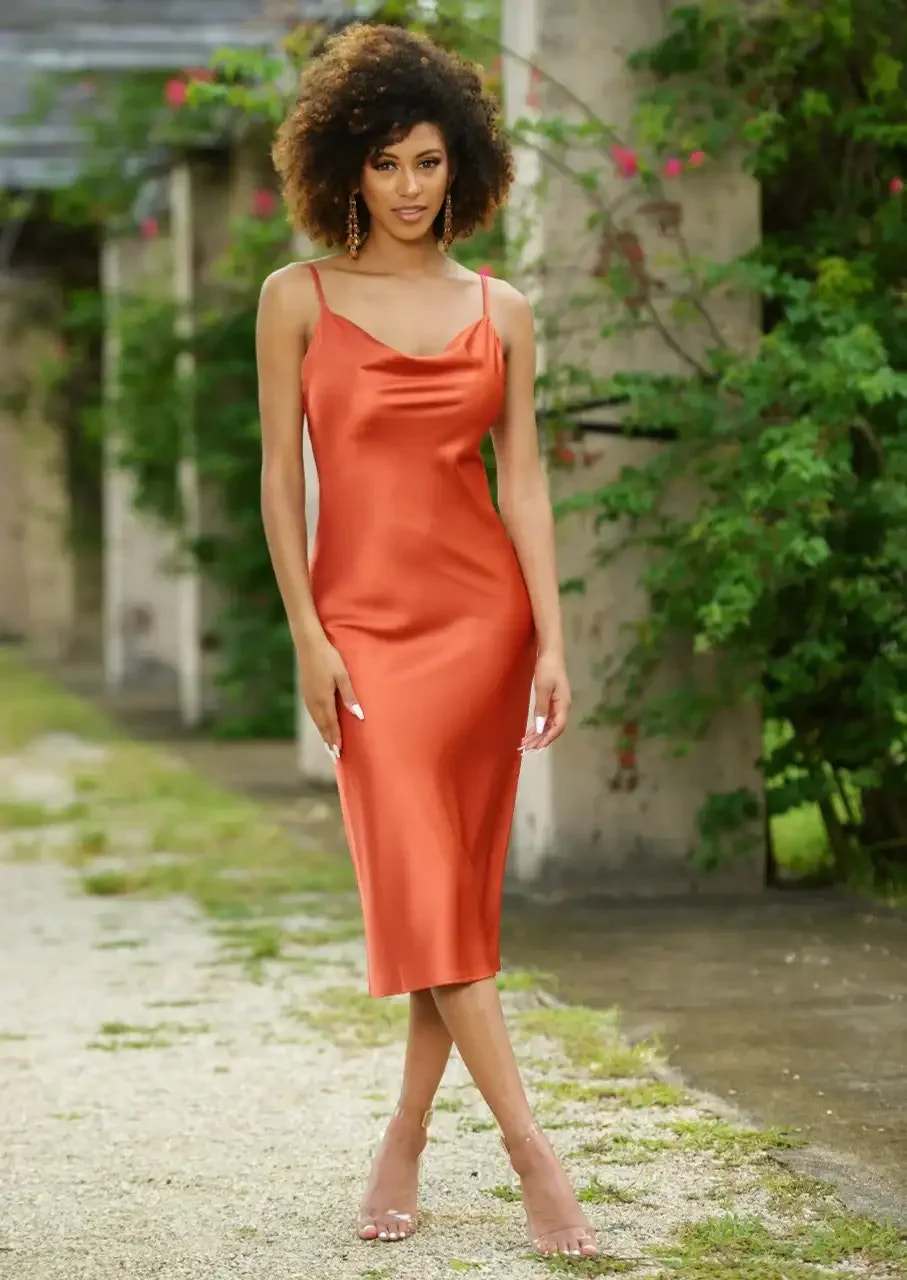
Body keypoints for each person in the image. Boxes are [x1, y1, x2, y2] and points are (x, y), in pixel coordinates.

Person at [256, 21, 598, 1261]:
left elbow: (524, 486)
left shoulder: (500, 309)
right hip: (362, 632)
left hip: (482, 628)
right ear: (346, 166)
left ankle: (403, 1134)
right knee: (428, 889)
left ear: (463, 167)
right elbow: (278, 483)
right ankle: (531, 1151)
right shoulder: (294, 299)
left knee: (443, 900)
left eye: (429, 161)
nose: (409, 186)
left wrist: (551, 638)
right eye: (387, 161)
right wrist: (307, 634)